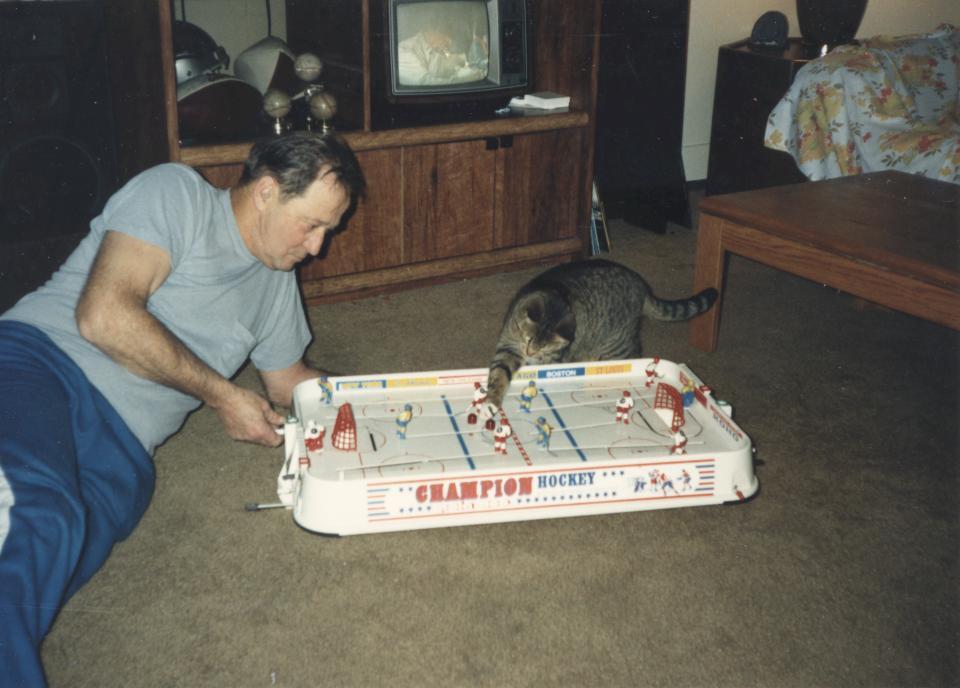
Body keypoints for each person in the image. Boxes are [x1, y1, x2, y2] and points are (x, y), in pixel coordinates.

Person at [0, 131, 365, 685]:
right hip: (41, 369)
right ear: (266, 191)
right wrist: (222, 395)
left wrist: (387, 397)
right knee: (42, 517)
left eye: (328, 232)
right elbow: (102, 317)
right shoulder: (177, 194)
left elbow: (290, 385)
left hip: (123, 450)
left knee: (56, 554)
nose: (318, 248)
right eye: (312, 225)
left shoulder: (275, 281)